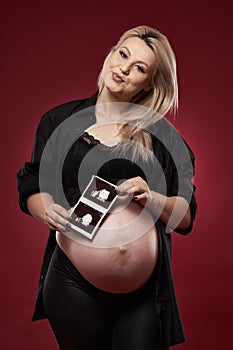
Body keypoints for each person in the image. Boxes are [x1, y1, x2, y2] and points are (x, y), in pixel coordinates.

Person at [16, 25, 197, 350]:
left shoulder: (164, 140)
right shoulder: (58, 121)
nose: (125, 68)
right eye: (123, 54)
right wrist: (46, 210)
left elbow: (184, 218)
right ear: (111, 53)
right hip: (72, 283)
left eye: (140, 68)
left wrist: (151, 196)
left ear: (149, 83)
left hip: (143, 294)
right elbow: (32, 181)